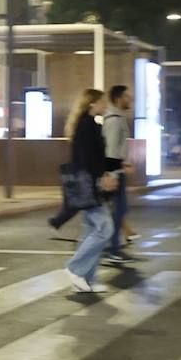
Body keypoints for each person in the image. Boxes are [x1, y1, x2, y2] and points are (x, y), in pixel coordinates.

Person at [62, 89, 119, 293]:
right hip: (90, 184)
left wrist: (113, 167)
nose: (105, 105)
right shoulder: (88, 126)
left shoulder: (86, 124)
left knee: (89, 231)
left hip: (85, 182)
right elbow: (89, 159)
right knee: (105, 228)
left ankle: (86, 279)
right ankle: (74, 268)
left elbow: (93, 158)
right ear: (92, 104)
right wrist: (103, 177)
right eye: (102, 102)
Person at [102, 85, 137, 265]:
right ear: (118, 99)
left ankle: (111, 246)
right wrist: (113, 173)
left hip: (116, 170)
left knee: (115, 210)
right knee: (117, 210)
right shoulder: (114, 121)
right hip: (114, 173)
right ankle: (112, 248)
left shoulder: (117, 118)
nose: (130, 99)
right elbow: (111, 151)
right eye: (127, 97)